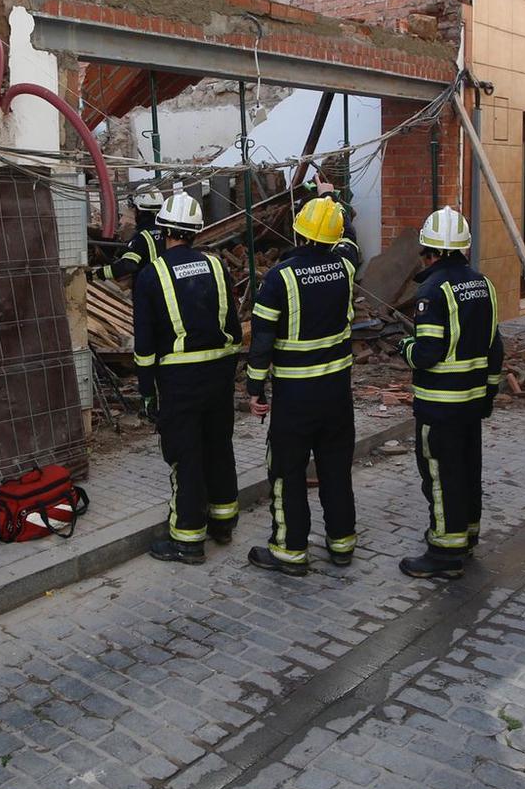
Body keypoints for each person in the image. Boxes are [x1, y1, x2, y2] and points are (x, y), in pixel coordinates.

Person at [245, 196, 361, 576]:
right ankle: (342, 543)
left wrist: (254, 389)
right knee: (335, 468)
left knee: (287, 471)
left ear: (297, 231)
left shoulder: (279, 277)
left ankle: (290, 550)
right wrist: (336, 200)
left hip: (296, 397)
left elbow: (262, 340)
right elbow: (349, 243)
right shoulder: (344, 267)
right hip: (337, 395)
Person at [134, 192, 244, 564]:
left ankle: (187, 539)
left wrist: (147, 392)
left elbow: (145, 345)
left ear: (163, 230)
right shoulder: (216, 266)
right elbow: (233, 327)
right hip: (220, 371)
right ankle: (224, 522)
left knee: (186, 454)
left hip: (180, 379)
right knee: (219, 444)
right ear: (196, 232)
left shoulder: (152, 275)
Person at [398, 208, 503, 580]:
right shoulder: (484, 284)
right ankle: (467, 535)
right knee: (468, 470)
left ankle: (444, 551)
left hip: (440, 405)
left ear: (430, 251)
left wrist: (405, 348)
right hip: (472, 402)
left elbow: (426, 353)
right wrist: (489, 394)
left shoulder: (432, 290)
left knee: (441, 476)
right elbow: (496, 347)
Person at [94, 185, 167, 283]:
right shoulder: (166, 232)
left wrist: (99, 273)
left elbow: (128, 265)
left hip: (149, 290)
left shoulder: (141, 237)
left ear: (139, 211)